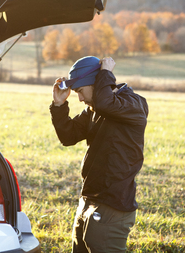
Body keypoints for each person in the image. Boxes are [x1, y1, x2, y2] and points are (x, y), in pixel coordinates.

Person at [49, 56, 149, 253]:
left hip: (112, 206)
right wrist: (59, 105)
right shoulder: (94, 110)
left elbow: (106, 103)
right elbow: (68, 136)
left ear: (96, 82)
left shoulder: (133, 104)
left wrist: (104, 73)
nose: (80, 98)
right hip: (88, 201)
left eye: (80, 91)